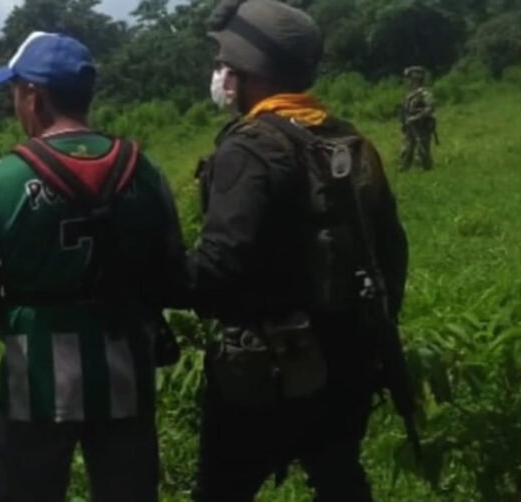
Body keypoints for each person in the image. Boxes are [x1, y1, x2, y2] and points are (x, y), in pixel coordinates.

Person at [188, 1, 411, 501]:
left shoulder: (249, 147)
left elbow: (219, 269)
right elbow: (391, 251)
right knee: (340, 480)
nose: (220, 74)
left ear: (251, 70)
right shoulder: (349, 139)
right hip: (347, 360)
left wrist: (159, 275)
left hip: (261, 375)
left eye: (225, 63)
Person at [0, 32, 187, 502]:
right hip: (127, 368)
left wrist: (12, 329)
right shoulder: (146, 170)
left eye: (14, 91)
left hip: (35, 376)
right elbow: (173, 266)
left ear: (33, 95)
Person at [399, 66, 437, 171]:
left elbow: (430, 108)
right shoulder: (409, 95)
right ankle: (404, 169)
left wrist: (415, 117)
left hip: (421, 127)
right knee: (406, 150)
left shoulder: (425, 94)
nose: (408, 82)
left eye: (410, 79)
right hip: (409, 127)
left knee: (422, 152)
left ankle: (425, 171)